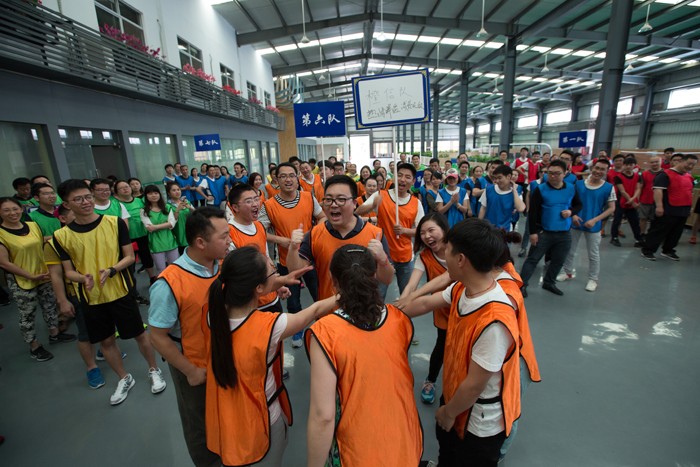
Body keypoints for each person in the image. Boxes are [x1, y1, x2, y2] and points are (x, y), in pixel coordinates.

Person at [399, 219, 521, 467]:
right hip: (456, 394)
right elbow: (426, 303)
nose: (444, 256)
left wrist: (448, 412)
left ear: (461, 259)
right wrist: (385, 316)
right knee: (447, 451)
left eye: (448, 251)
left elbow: (475, 385)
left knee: (465, 457)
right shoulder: (462, 288)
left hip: (478, 421)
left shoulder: (495, 319)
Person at [205, 247, 337, 467]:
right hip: (262, 420)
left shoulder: (214, 313)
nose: (275, 271)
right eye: (272, 271)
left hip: (227, 418)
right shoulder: (270, 327)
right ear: (258, 288)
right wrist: (349, 292)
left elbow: (256, 287)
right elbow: (315, 310)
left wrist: (278, 281)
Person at [306, 245, 423, 467]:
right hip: (405, 442)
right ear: (374, 275)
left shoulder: (325, 331)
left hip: (357, 453)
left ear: (332, 280)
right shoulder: (398, 319)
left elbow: (323, 416)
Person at [53, 179, 166, 404]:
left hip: (120, 291)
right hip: (91, 297)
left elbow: (129, 257)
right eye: (78, 199)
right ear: (66, 204)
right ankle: (124, 377)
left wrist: (113, 270)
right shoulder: (61, 236)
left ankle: (154, 369)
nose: (85, 202)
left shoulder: (114, 223)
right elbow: (68, 271)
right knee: (105, 341)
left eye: (88, 197)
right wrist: (82, 278)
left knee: (139, 334)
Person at [148, 207, 230, 467]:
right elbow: (157, 337)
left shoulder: (221, 266)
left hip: (222, 358)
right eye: (224, 236)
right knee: (200, 424)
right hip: (195, 367)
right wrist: (190, 371)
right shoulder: (169, 283)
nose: (229, 241)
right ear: (200, 242)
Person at [288, 175, 393, 302]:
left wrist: (382, 260)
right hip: (328, 310)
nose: (334, 204)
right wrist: (293, 249)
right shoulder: (314, 234)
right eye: (328, 199)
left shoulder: (375, 234)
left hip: (365, 310)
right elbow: (296, 270)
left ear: (354, 203)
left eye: (341, 199)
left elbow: (387, 279)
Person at [258, 163, 325, 348]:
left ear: (297, 178)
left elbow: (322, 217)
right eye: (283, 176)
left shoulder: (308, 197)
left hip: (311, 259)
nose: (288, 180)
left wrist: (313, 235)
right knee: (293, 301)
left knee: (320, 295)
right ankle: (297, 331)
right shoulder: (269, 205)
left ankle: (324, 327)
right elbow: (259, 231)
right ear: (276, 180)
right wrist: (281, 240)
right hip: (286, 261)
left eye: (291, 176)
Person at [0, 197, 74, 362]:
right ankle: (34, 345)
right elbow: (4, 263)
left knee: (49, 305)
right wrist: (29, 275)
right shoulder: (1, 234)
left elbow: (41, 242)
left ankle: (55, 333)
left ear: (21, 209)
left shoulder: (32, 226)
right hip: (22, 280)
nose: (12, 213)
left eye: (15, 209)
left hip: (43, 274)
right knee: (27, 314)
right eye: (6, 210)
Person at [399, 213, 450, 405]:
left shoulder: (458, 249)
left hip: (466, 306)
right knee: (442, 344)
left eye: (431, 230)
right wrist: (402, 302)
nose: (427, 236)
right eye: (422, 233)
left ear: (443, 229)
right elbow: (411, 284)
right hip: (442, 308)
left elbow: (446, 278)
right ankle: (430, 380)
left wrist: (413, 296)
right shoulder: (424, 257)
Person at [356, 163, 424, 296]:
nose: (402, 179)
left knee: (406, 296)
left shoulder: (416, 203)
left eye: (407, 177)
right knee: (378, 295)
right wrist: (373, 205)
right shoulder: (380, 195)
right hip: (383, 256)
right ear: (393, 178)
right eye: (399, 175)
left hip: (405, 257)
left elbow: (422, 231)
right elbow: (358, 212)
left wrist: (404, 231)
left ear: (413, 181)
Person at [519, 160, 582, 297]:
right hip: (543, 232)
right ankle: (522, 285)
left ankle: (549, 282)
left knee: (559, 260)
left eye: (557, 173)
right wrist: (533, 232)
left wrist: (571, 212)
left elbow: (578, 205)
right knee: (533, 259)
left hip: (564, 233)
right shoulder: (540, 189)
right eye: (550, 173)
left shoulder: (571, 188)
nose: (553, 176)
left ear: (565, 173)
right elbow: (533, 213)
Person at [226, 183, 285, 313]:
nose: (255, 204)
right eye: (248, 201)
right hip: (250, 304)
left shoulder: (259, 226)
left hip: (272, 298)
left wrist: (276, 284)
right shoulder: (229, 233)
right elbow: (236, 273)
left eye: (256, 199)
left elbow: (266, 258)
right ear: (235, 207)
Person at [559, 159, 616, 292]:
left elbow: (611, 208)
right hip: (575, 223)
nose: (598, 171)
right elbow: (569, 202)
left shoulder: (608, 187)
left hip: (593, 226)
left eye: (602, 169)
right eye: (597, 168)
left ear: (607, 171)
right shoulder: (578, 184)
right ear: (592, 168)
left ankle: (593, 279)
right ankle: (567, 272)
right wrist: (573, 215)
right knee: (569, 250)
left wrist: (595, 220)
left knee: (593, 254)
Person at [641, 154, 698, 261]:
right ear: (681, 161)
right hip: (668, 209)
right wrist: (659, 206)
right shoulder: (664, 175)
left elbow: (689, 192)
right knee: (658, 231)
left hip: (683, 210)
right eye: (688, 163)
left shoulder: (689, 177)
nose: (690, 166)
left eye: (693, 165)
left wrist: (689, 207)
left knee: (676, 233)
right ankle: (648, 250)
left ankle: (668, 250)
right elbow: (658, 190)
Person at [113, 180, 156, 297]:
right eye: (121, 188)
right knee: (130, 263)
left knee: (147, 258)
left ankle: (153, 278)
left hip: (143, 235)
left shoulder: (139, 201)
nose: (125, 189)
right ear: (116, 192)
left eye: (127, 186)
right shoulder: (116, 204)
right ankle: (132, 286)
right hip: (127, 238)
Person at [141, 185, 179, 275]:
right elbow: (149, 228)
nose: (153, 195)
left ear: (159, 194)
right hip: (156, 243)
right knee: (161, 270)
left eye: (156, 193)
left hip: (170, 241)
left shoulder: (167, 207)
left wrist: (156, 227)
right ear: (146, 196)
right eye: (150, 193)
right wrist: (166, 224)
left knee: (175, 268)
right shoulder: (144, 211)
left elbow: (172, 224)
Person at [478, 165, 525, 231]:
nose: (497, 181)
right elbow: (483, 208)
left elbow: (521, 208)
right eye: (495, 178)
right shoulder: (489, 190)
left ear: (509, 176)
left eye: (499, 178)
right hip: (488, 229)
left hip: (504, 230)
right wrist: (479, 226)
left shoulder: (515, 193)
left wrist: (514, 190)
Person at [610, 157, 643, 248]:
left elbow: (638, 188)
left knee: (635, 222)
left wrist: (633, 199)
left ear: (634, 165)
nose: (628, 166)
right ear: (624, 165)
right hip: (621, 202)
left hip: (632, 202)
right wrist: (632, 201)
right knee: (617, 220)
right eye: (626, 165)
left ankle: (638, 239)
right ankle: (614, 238)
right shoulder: (618, 177)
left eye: (630, 165)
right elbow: (622, 191)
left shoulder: (638, 176)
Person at [166, 182, 195, 256]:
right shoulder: (167, 206)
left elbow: (196, 214)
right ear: (169, 193)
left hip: (191, 233)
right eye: (174, 190)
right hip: (179, 234)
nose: (177, 192)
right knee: (184, 256)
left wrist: (190, 207)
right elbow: (172, 222)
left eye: (178, 189)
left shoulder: (186, 201)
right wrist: (177, 210)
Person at [638, 155, 663, 236]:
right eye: (652, 162)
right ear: (649, 163)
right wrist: (638, 200)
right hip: (645, 200)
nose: (654, 164)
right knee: (643, 218)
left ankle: (652, 235)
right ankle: (642, 234)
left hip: (659, 202)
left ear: (661, 162)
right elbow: (640, 187)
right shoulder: (644, 174)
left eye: (656, 162)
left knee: (656, 220)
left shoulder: (665, 174)